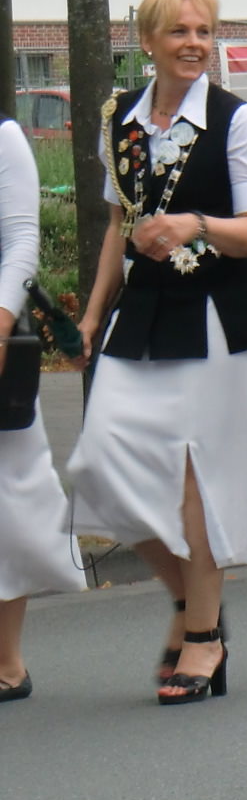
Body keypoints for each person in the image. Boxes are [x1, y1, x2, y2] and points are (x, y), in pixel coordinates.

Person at [70, 0, 247, 705]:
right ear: (149, 41)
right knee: (100, 464)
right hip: (143, 315)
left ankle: (203, 637)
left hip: (220, 319)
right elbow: (117, 226)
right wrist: (92, 315)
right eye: (179, 32)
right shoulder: (120, 119)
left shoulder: (235, 119)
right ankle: (195, 604)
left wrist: (197, 224)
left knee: (198, 481)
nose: (195, 43)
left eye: (204, 31)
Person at [0, 113, 84, 702]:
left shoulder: (3, 139)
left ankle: (6, 662)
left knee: (10, 499)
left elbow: (20, 241)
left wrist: (1, 323)